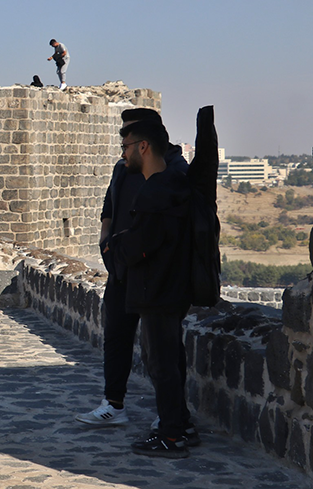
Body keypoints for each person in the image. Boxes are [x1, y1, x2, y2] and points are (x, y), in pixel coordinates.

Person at [76, 108, 192, 440]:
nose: (122, 144)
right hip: (123, 269)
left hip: (157, 275)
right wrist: (106, 243)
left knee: (164, 351)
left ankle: (171, 419)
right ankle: (114, 404)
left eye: (127, 137)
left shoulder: (173, 171)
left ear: (145, 140)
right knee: (117, 336)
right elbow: (109, 208)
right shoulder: (123, 169)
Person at [107, 118, 193, 458]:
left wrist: (118, 245)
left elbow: (144, 243)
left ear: (143, 147)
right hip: (171, 288)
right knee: (169, 361)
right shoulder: (175, 181)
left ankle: (171, 436)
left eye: (126, 147)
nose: (123, 155)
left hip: (157, 290)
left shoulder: (158, 190)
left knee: (162, 364)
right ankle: (180, 425)